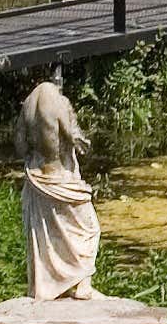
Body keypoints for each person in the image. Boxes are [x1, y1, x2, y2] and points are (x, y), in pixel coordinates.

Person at [16, 77, 106, 301]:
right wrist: (83, 142)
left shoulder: (27, 105)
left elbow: (19, 143)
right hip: (59, 177)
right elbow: (71, 135)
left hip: (37, 177)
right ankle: (82, 283)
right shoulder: (58, 103)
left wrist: (34, 155)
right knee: (89, 228)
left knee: (46, 233)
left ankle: (52, 284)